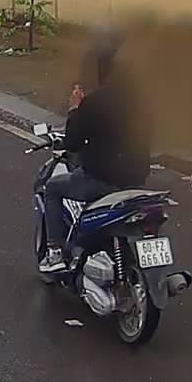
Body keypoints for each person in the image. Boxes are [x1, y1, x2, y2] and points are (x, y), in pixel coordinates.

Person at [39, 28, 150, 273]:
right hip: (136, 181)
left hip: (102, 181)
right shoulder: (142, 102)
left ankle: (55, 252)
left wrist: (75, 109)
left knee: (53, 188)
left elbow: (72, 142)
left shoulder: (96, 101)